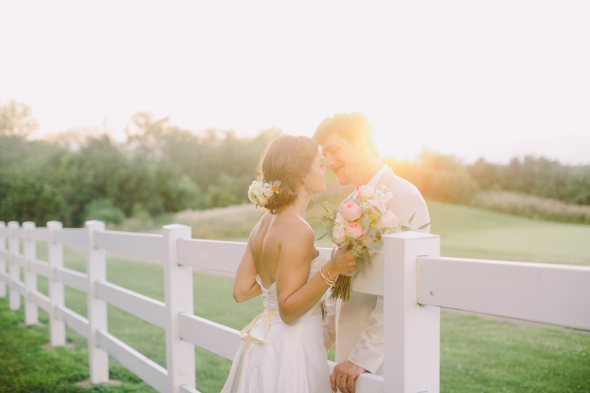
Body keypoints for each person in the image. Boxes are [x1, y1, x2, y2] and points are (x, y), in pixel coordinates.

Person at [222, 134, 358, 393]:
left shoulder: (263, 224)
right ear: (302, 176)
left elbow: (241, 290)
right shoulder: (299, 230)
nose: (325, 167)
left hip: (264, 346)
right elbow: (288, 310)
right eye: (319, 163)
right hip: (291, 348)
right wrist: (333, 269)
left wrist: (281, 280)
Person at [313, 112, 431, 393]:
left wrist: (362, 359)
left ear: (360, 141)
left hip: (382, 364)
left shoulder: (403, 196)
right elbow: (340, 289)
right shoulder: (350, 204)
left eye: (334, 150)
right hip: (350, 360)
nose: (328, 162)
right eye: (324, 155)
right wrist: (314, 344)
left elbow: (401, 290)